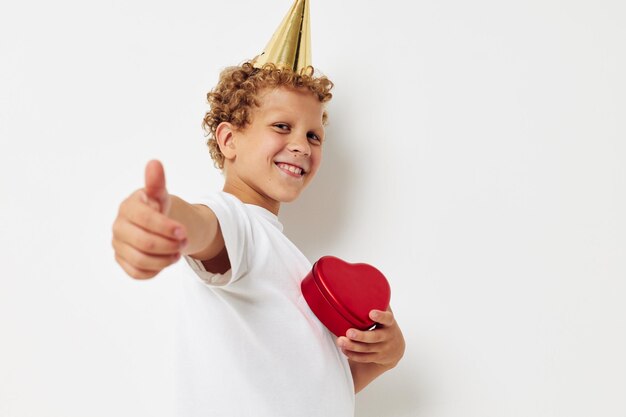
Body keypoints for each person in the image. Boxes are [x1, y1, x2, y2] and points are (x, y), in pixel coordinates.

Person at [111, 1, 405, 415]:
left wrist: (380, 359)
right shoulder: (239, 225)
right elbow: (204, 226)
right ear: (229, 140)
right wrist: (162, 218)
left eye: (314, 135)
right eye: (282, 126)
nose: (302, 144)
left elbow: (305, 389)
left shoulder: (287, 259)